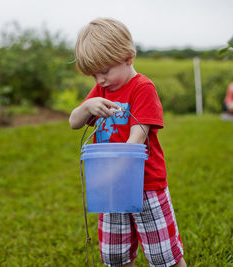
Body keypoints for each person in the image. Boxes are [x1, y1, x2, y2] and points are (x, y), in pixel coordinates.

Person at [69, 17, 186, 267]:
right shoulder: (101, 91)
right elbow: (74, 122)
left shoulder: (142, 88)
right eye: (93, 75)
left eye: (104, 71)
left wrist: (108, 174)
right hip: (112, 190)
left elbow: (136, 140)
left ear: (127, 57)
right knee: (115, 255)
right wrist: (87, 106)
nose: (99, 80)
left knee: (163, 255)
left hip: (146, 185)